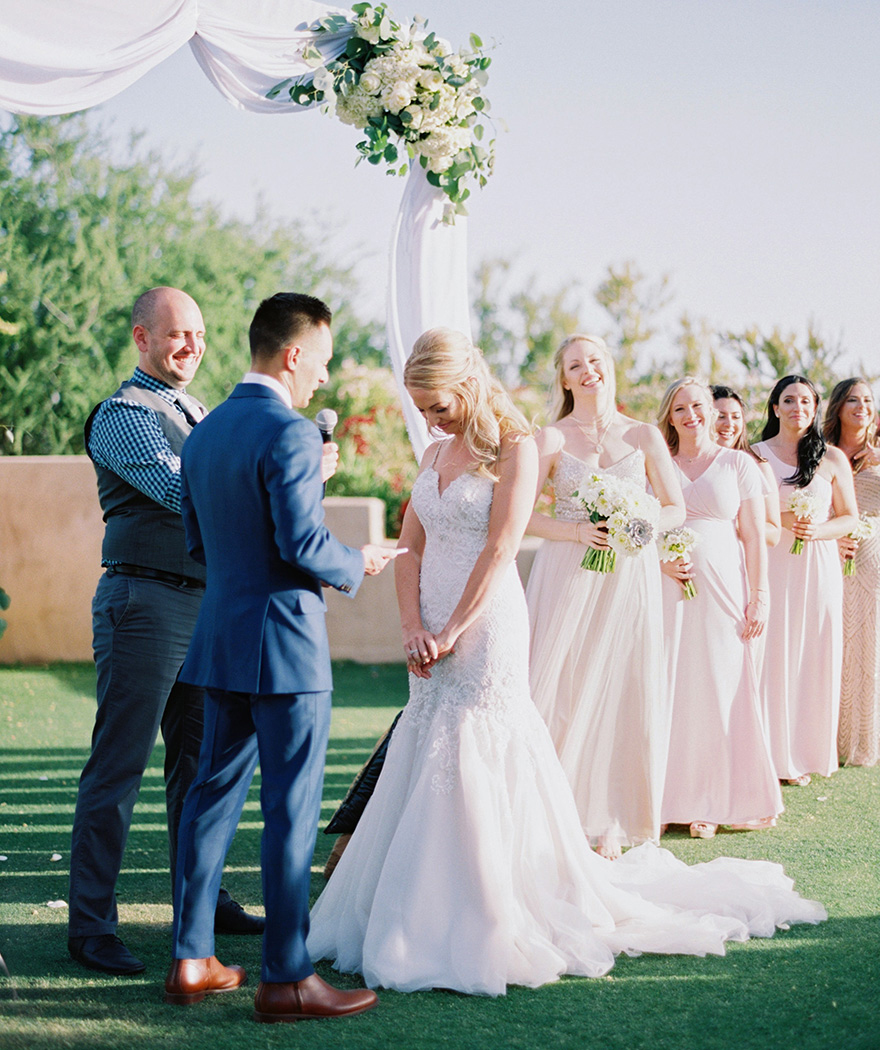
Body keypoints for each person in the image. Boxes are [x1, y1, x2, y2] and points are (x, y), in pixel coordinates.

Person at [306, 328, 825, 997]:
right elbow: (411, 541)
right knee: (427, 739)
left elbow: (500, 548)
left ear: (465, 386)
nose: (430, 421)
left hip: (485, 622)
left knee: (484, 741)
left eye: (437, 405)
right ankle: (408, 897)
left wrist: (455, 628)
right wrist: (413, 624)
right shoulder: (436, 451)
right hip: (429, 624)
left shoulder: (518, 449)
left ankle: (490, 900)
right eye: (422, 409)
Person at [164, 293, 399, 1022]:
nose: (323, 380)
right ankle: (288, 977)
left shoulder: (202, 434)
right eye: (322, 363)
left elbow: (200, 544)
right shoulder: (290, 433)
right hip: (288, 649)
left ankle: (192, 958)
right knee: (290, 812)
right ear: (293, 354)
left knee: (209, 800)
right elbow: (301, 545)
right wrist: (357, 559)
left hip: (221, 641)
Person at [68, 287, 262, 978]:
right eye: (177, 334)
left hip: (202, 607)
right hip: (144, 603)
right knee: (118, 768)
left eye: (200, 335)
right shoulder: (122, 415)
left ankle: (202, 905)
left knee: (199, 771)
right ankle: (90, 927)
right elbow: (187, 493)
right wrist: (273, 486)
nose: (191, 346)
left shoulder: (199, 413)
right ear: (141, 338)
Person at [523, 334, 684, 859]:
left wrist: (637, 523)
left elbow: (675, 508)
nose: (588, 370)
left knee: (620, 685)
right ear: (564, 379)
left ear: (608, 367)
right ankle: (549, 811)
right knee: (562, 685)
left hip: (627, 575)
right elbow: (521, 514)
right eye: (576, 364)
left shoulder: (642, 436)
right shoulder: (549, 438)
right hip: (567, 572)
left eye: (595, 360)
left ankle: (609, 817)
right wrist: (575, 534)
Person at [656, 378, 781, 839]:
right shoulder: (659, 465)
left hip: (726, 589)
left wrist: (760, 595)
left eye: (699, 406)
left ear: (712, 410)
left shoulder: (738, 464)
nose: (691, 415)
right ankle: (665, 797)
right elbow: (645, 528)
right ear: (670, 417)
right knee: (671, 682)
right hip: (668, 588)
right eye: (680, 408)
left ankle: (711, 799)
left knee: (719, 682)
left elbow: (754, 536)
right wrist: (661, 562)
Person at [754, 375, 858, 785]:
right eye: (789, 400)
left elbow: (848, 516)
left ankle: (802, 754)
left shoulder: (832, 458)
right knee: (772, 651)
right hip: (772, 562)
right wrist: (784, 521)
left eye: (806, 401)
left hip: (818, 565)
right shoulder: (755, 456)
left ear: (815, 409)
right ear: (775, 408)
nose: (798, 407)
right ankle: (766, 752)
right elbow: (745, 516)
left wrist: (820, 530)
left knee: (811, 652)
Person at [824, 378, 880, 766]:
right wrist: (834, 532)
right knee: (833, 640)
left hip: (874, 558)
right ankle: (826, 736)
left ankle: (864, 740)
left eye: (868, 400)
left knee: (869, 646)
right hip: (830, 555)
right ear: (839, 408)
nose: (861, 406)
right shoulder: (822, 454)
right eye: (853, 400)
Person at [712, 384, 781, 546]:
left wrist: (735, 526)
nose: (729, 424)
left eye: (736, 417)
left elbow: (773, 533)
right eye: (720, 416)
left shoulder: (758, 466)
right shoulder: (685, 463)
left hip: (739, 558)